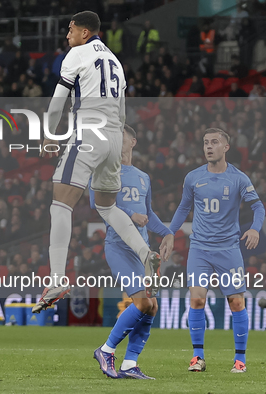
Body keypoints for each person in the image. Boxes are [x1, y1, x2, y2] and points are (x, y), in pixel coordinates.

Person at [34, 11, 161, 313]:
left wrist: (50, 133)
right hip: (114, 136)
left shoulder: (76, 55)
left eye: (71, 30)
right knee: (106, 206)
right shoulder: (115, 61)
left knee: (61, 203)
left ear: (85, 33)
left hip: (88, 133)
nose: (68, 35)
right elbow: (122, 110)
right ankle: (146, 254)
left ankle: (56, 279)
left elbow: (57, 100)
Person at [169, 128, 265, 374]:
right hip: (199, 249)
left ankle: (240, 360)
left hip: (228, 249)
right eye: (205, 143)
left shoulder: (239, 178)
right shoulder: (193, 177)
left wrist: (254, 229)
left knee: (236, 302)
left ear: (226, 147)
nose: (208, 146)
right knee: (197, 299)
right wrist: (170, 232)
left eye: (214, 142)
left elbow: (259, 207)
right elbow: (182, 208)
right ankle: (197, 358)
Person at [91, 125, 173, 379]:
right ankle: (106, 350)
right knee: (142, 302)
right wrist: (129, 215)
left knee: (152, 307)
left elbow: (148, 215)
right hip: (119, 247)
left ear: (132, 142)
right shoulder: (105, 171)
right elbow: (99, 204)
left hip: (143, 251)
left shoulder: (142, 176)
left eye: (120, 137)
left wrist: (168, 232)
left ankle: (130, 364)